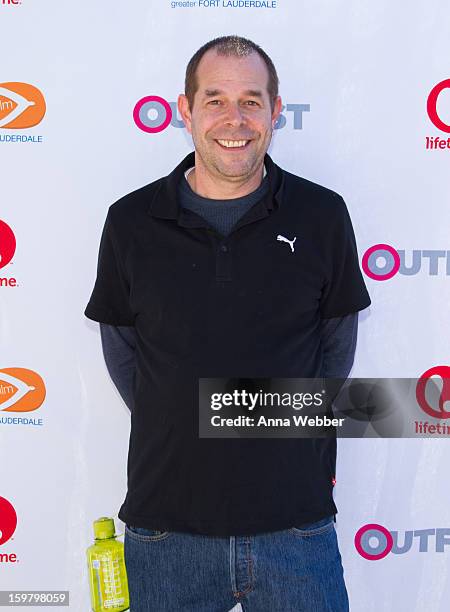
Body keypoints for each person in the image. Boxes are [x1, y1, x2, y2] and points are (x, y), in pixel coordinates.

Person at [85, 35, 371, 612]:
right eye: (214, 100)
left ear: (275, 110)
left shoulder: (322, 214)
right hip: (166, 531)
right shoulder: (130, 221)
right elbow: (123, 351)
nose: (234, 120)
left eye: (251, 100)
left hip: (297, 527)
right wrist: (179, 415)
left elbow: (334, 347)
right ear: (185, 110)